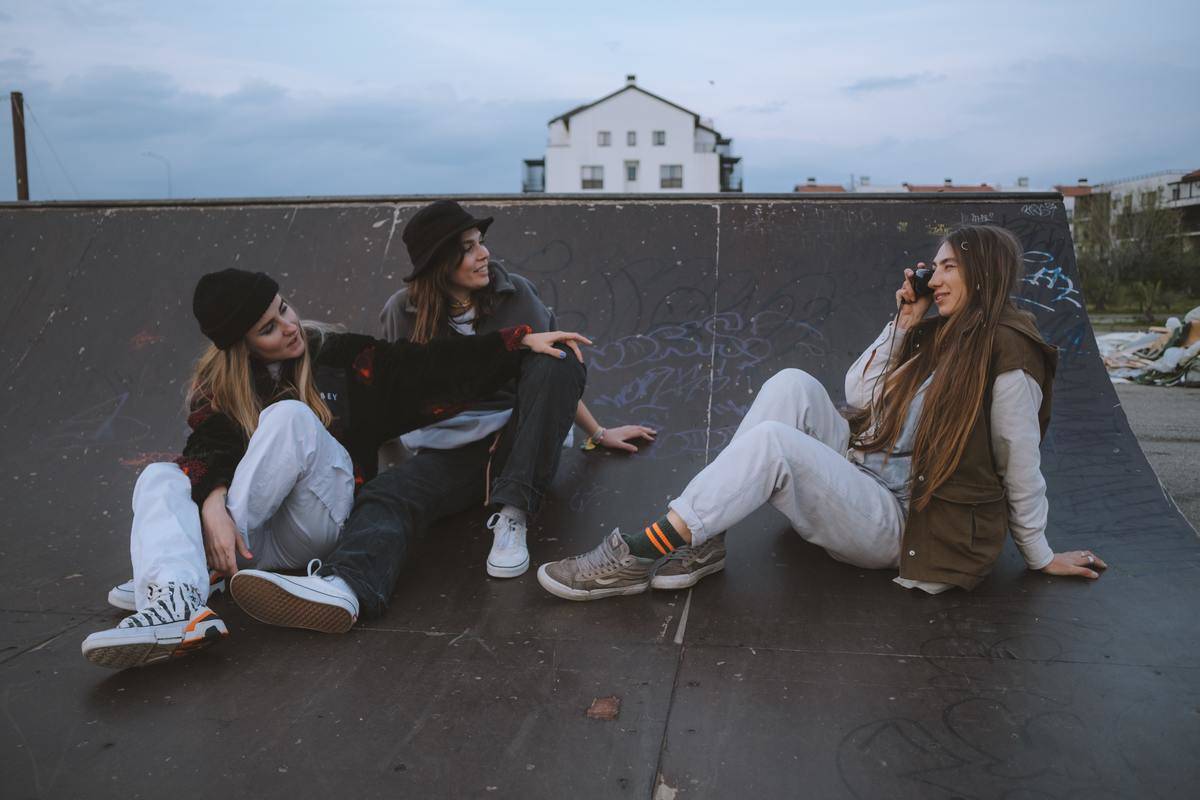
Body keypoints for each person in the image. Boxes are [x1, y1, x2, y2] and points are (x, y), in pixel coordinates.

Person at [537, 224, 1108, 600]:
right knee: (792, 383)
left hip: (903, 521)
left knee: (773, 443)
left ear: (984, 271)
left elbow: (1020, 460)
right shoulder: (939, 333)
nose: (933, 279)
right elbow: (860, 394)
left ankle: (641, 553)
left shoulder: (1009, 352)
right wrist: (904, 324)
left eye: (948, 267)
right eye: (933, 267)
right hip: (863, 472)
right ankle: (702, 538)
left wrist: (1039, 555)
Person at [81, 267, 587, 668]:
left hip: (320, 519)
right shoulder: (220, 391)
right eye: (268, 329)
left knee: (289, 417)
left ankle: (198, 570)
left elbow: (424, 365)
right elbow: (207, 447)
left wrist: (515, 342)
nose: (289, 327)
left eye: (284, 309)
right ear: (242, 347)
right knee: (160, 476)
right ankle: (176, 604)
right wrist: (213, 498)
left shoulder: (341, 358)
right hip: (255, 538)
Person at [227, 200, 654, 634]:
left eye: (480, 242)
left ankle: (513, 514)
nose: (483, 254)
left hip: (518, 435)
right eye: (467, 248)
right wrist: (394, 470)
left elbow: (553, 380)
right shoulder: (401, 311)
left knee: (558, 355)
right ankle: (345, 587)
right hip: (448, 450)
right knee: (385, 495)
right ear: (439, 262)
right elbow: (391, 393)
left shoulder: (515, 294)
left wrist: (597, 431)